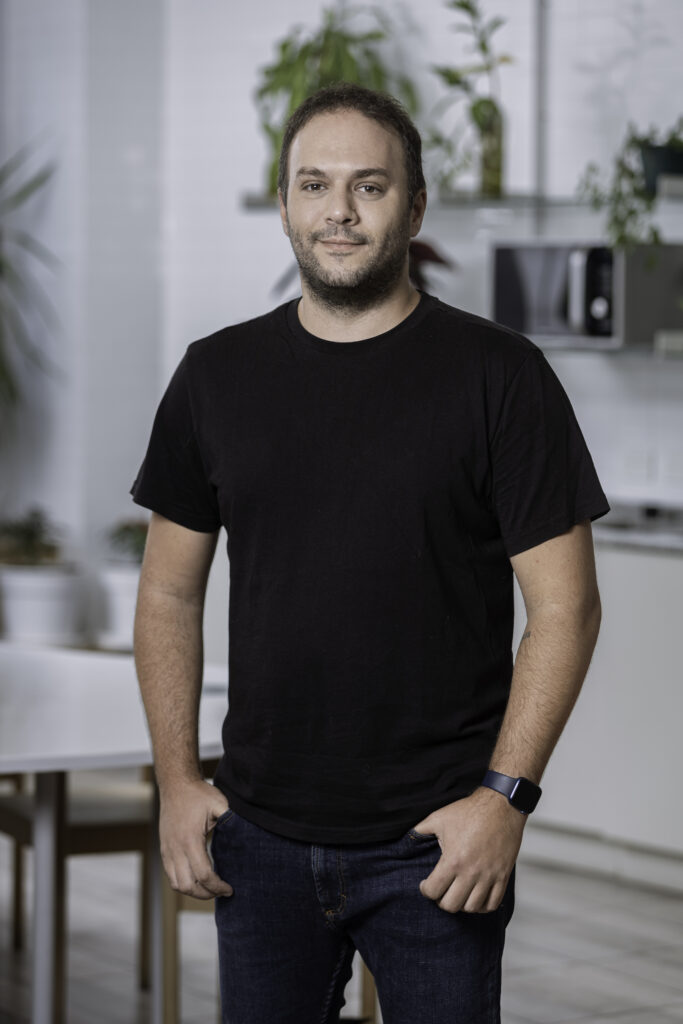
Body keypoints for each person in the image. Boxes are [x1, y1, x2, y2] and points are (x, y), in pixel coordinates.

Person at [131, 82, 609, 1024]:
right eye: (313, 185)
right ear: (284, 206)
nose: (339, 211)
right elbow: (167, 596)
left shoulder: (499, 375)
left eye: (369, 186)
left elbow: (566, 609)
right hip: (257, 836)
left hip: (437, 844)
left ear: (415, 207)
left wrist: (504, 799)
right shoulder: (214, 375)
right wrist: (178, 784)